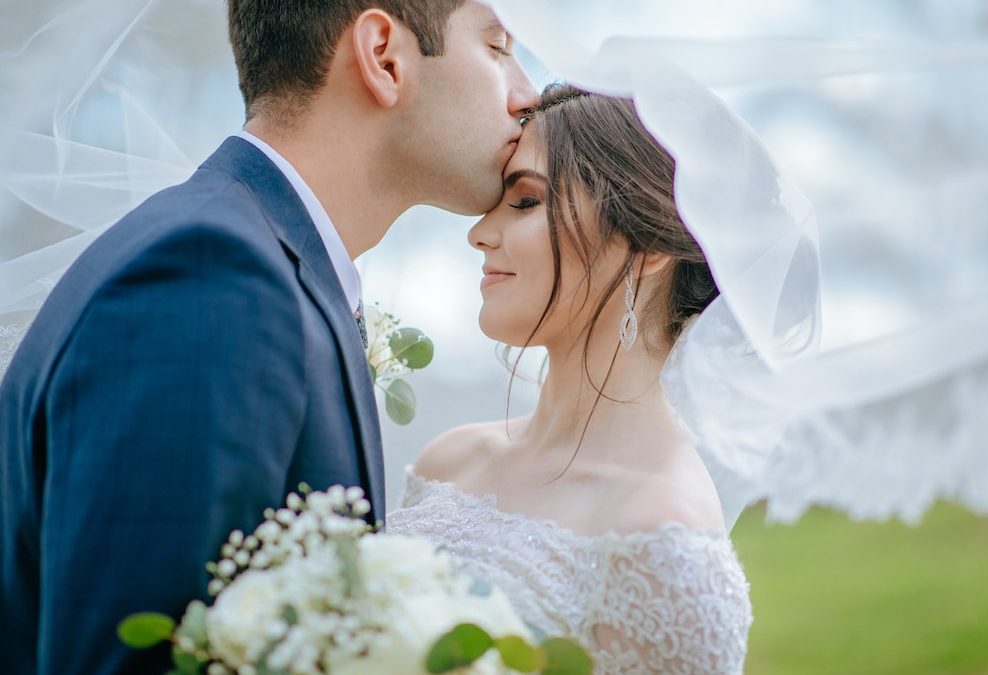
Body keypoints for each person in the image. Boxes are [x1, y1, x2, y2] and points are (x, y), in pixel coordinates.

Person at [0, 1, 537, 672]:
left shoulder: (254, 260)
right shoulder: (206, 280)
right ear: (383, 56)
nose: (528, 92)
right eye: (498, 46)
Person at [387, 83, 753, 674]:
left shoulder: (665, 541)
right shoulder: (448, 463)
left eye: (526, 201)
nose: (478, 232)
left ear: (650, 245)